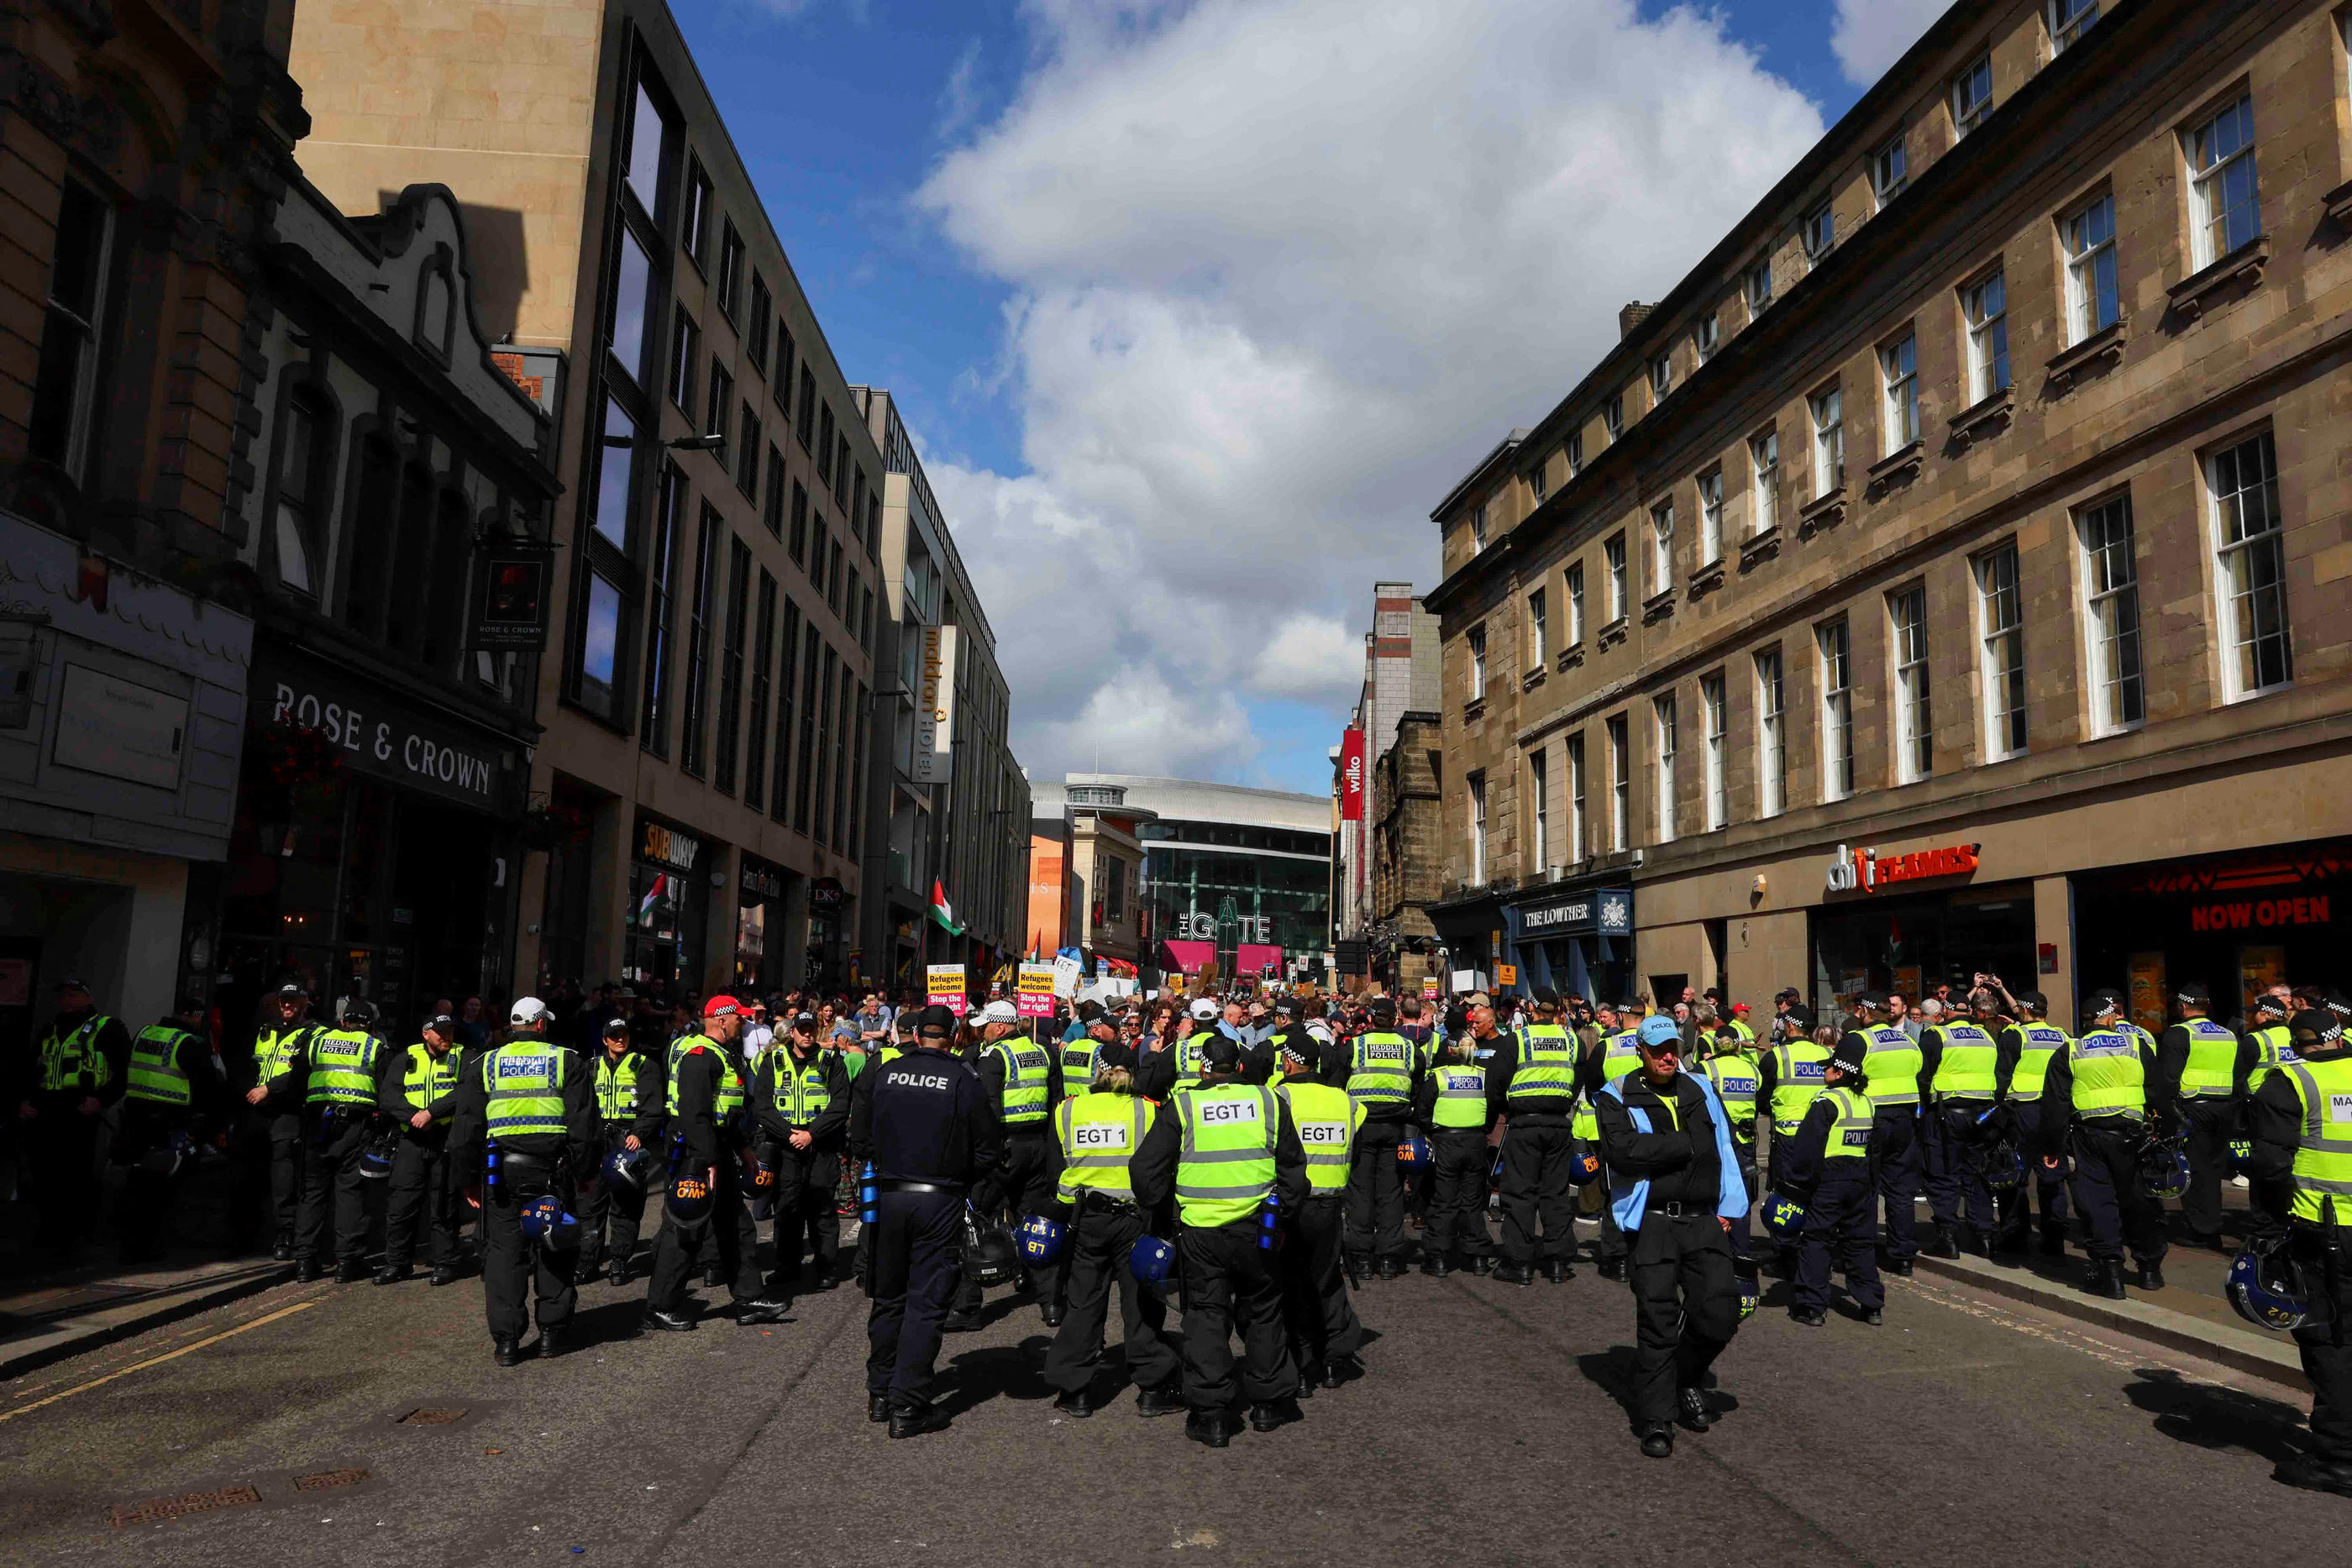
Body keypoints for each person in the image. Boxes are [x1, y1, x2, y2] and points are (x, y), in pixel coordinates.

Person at [1131, 1034, 1310, 1448]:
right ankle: (1268, 1403)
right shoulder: (1268, 1101)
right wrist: (1282, 1215)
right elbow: (1294, 1170)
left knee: (1206, 1317)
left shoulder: (1184, 1105)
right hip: (1258, 1229)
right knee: (1264, 1312)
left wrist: (1160, 1210)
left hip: (1201, 1232)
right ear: (1240, 1067)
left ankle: (1212, 1415)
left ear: (1201, 1069)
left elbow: (1146, 1169)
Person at [1593, 1015, 1747, 1460]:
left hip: (1704, 1220)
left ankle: (1683, 1379)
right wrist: (1681, 1145)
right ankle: (1657, 1418)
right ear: (1640, 1049)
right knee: (1658, 1324)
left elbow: (1723, 1148)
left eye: (1673, 1048)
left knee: (1721, 1311)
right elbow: (1624, 1154)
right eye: (1658, 1048)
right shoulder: (1615, 1094)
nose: (1666, 1056)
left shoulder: (1699, 1087)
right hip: (1653, 1222)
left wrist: (1732, 1208)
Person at [854, 1004, 1001, 1438]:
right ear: (954, 1037)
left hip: (888, 1196)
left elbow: (859, 1136)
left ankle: (880, 1392)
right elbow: (989, 1147)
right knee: (926, 1302)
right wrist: (959, 1177)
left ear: (915, 1035)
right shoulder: (962, 1078)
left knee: (889, 1296)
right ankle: (908, 1404)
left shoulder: (884, 1074)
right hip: (940, 1198)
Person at [449, 996, 596, 1364]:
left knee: (503, 1255)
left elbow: (466, 1125)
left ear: (514, 1026)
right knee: (555, 1245)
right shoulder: (566, 1060)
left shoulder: (485, 1062)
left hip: (503, 1174)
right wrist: (586, 1173)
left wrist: (467, 1178)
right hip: (554, 1171)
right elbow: (585, 1125)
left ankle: (507, 1342)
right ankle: (552, 1332)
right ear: (542, 1025)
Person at [2244, 1009, 2352, 1498]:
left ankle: (2341, 1459)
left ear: (2298, 1040)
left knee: (2330, 1341)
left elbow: (2269, 1168)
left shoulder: (2289, 1082)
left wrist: (2265, 1236)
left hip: (2324, 1234)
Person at [1042, 1043, 1184, 1418]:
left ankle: (1076, 1392)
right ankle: (1153, 1388)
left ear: (1096, 1069)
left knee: (1084, 1301)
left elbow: (1055, 1170)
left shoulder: (1068, 1109)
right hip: (1137, 1218)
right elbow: (1162, 1167)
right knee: (1141, 1303)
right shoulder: (1149, 1110)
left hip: (1086, 1217)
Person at [645, 996, 789, 1329]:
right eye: (739, 1018)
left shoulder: (720, 1053)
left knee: (736, 1227)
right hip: (697, 1154)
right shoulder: (701, 1056)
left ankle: (750, 1299)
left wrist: (741, 1149)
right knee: (685, 1230)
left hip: (716, 1148)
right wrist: (708, 1159)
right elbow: (694, 1113)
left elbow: (727, 1111)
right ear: (721, 1020)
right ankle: (659, 1307)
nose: (743, 1023)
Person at [2037, 990, 2167, 1299]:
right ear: (2110, 1018)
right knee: (2138, 1202)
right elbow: (2158, 1091)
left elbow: (2054, 1105)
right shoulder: (2136, 1044)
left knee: (2098, 1204)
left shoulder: (2069, 1049)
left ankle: (2110, 1273)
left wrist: (2052, 1148)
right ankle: (2149, 1270)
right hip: (2133, 1137)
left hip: (2089, 1137)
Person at [270, 996, 391, 1282]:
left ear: (342, 1022)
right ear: (370, 1026)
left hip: (316, 1125)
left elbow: (296, 1082)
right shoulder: (374, 1047)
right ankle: (347, 1263)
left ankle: (305, 1262)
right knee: (350, 1193)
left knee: (312, 1194)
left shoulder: (316, 1042)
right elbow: (386, 1093)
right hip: (355, 1127)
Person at [1273, 1036, 1366, 1393]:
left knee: (1288, 1282)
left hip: (1290, 1206)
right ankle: (1333, 1361)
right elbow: (1354, 1151)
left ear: (1291, 1064)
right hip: (1331, 1204)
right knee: (1326, 1281)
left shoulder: (1280, 1098)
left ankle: (1298, 1363)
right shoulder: (1345, 1101)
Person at [962, 997, 1063, 1324]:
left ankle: (966, 1307)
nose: (982, 1034)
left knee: (975, 1221)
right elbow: (1056, 1100)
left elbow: (986, 1109)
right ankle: (1050, 1303)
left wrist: (982, 1152)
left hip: (1004, 1150)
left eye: (986, 1028)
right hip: (1038, 1147)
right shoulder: (1044, 1051)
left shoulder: (994, 1056)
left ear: (1001, 1026)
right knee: (1036, 1226)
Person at [17, 978, 133, 1261]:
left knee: (74, 1173)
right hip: (45, 1110)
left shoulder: (107, 1028)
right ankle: (48, 1230)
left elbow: (125, 1070)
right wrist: (24, 1101)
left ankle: (74, 1234)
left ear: (87, 998)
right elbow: (32, 1068)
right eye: (63, 996)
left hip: (78, 1111)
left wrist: (101, 1100)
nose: (66, 1001)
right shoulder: (50, 1028)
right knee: (44, 1172)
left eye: (73, 995)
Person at [1777, 1033, 1884, 1329]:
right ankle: (1871, 1304)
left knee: (1817, 1240)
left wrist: (1797, 1185)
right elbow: (1874, 1149)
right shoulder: (1867, 1102)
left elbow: (1807, 1149)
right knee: (1860, 1242)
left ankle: (1812, 1307)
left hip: (1829, 1180)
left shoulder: (1825, 1101)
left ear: (1838, 1072)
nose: (1823, 1072)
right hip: (1860, 1178)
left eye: (1828, 1068)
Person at [112, 994, 223, 1263]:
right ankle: (145, 1245)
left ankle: (126, 1242)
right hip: (170, 1123)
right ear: (195, 1016)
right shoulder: (189, 1043)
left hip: (136, 1119)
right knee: (160, 1189)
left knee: (136, 1181)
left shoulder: (144, 1032)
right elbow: (209, 1087)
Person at [753, 1010, 851, 1296]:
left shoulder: (832, 1062)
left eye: (811, 1029)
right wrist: (789, 1135)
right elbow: (762, 1106)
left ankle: (826, 1268)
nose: (807, 1034)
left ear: (817, 1031)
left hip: (820, 1145)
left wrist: (812, 1134)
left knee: (821, 1210)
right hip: (785, 1145)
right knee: (787, 1209)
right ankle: (787, 1266)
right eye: (802, 1029)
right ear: (792, 1032)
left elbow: (840, 1104)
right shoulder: (772, 1061)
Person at [1488, 986, 1581, 1284]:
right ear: (1556, 1010)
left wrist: (1507, 1109)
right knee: (1555, 1193)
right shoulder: (1572, 1040)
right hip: (1558, 1124)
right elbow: (1578, 1078)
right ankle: (1557, 1263)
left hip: (1525, 1124)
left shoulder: (1517, 1039)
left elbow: (1495, 1084)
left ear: (1530, 1009)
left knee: (1519, 1192)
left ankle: (1520, 1263)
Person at [2153, 982, 2252, 1253]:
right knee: (2214, 1170)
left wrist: (2166, 1118)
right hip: (2224, 1110)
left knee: (2194, 1170)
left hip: (2193, 1111)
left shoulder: (2178, 1034)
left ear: (2183, 1007)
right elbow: (2238, 1077)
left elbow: (2169, 1080)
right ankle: (2211, 1225)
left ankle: (2203, 1231)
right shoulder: (2228, 1035)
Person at [1840, 993, 1927, 1276]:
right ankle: (1903, 1257)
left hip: (1869, 1122)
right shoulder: (1909, 1042)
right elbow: (1919, 1071)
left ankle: (1859, 1252)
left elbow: (1839, 1077)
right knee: (1900, 1191)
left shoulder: (1859, 1040)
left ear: (1864, 1010)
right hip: (1904, 1122)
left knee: (1864, 1189)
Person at [376, 1011, 465, 1286]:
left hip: (445, 1138)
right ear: (426, 1034)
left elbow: (466, 1092)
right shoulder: (405, 1058)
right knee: (401, 1205)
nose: (447, 1037)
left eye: (450, 1031)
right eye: (441, 1032)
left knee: (444, 1204)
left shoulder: (464, 1056)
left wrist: (431, 1113)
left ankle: (445, 1263)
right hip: (412, 1140)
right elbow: (388, 1096)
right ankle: (397, 1263)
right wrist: (415, 1116)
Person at [1336, 996, 1418, 1281]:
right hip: (1396, 1125)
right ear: (1394, 1019)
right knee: (1391, 1191)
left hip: (1362, 1125)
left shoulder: (1354, 1046)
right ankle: (1388, 1257)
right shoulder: (1408, 1048)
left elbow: (1337, 1082)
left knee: (1360, 1191)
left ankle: (1361, 1258)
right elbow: (1417, 1083)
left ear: (1370, 1020)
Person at [1920, 989, 2004, 1260]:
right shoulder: (1988, 1037)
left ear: (1944, 1011)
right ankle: (1984, 1236)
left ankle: (1948, 1237)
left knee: (1944, 1175)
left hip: (1948, 1116)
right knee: (1978, 1175)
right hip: (1982, 1116)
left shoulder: (1937, 1035)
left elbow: (1923, 1078)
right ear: (1969, 1011)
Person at [235, 981, 317, 1259]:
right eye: (283, 1000)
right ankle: (242, 1235)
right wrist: (249, 1092)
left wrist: (269, 1089)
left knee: (284, 1178)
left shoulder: (313, 1034)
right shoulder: (265, 1031)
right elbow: (247, 1065)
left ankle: (285, 1234)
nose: (287, 1005)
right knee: (247, 1176)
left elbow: (304, 1071)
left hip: (287, 1112)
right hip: (256, 1112)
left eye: (293, 1001)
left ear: (305, 1005)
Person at [578, 1015, 660, 1286]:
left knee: (627, 1204)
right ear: (605, 1040)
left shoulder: (643, 1066)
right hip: (597, 1141)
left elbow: (652, 1107)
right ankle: (588, 1261)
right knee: (591, 1204)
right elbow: (580, 1108)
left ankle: (619, 1260)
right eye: (614, 1036)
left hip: (627, 1141)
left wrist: (639, 1132)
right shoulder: (590, 1066)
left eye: (623, 1034)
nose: (620, 1039)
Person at [1413, 1020, 1497, 1277]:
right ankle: (1478, 1257)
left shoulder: (1438, 1077)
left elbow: (1422, 1112)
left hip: (1445, 1140)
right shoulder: (1483, 1076)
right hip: (1474, 1141)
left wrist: (1432, 1130)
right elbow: (1492, 1109)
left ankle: (1438, 1257)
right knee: (1472, 1201)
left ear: (1449, 1051)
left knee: (1443, 1200)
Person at [1993, 990, 2072, 1260]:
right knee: (2053, 1177)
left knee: (2014, 1177)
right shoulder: (2063, 1036)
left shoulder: (2015, 1035)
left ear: (2024, 1011)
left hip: (2022, 1115)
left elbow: (2001, 1079)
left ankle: (2015, 1239)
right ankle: (2054, 1240)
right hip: (2055, 1115)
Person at [1578, 1002, 1648, 1282]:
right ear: (1643, 1018)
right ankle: (1643, 1254)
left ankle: (1616, 1259)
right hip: (1652, 1130)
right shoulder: (1656, 1045)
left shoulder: (1608, 1047)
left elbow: (1592, 1087)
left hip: (1618, 1131)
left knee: (1614, 1193)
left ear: (1619, 1017)